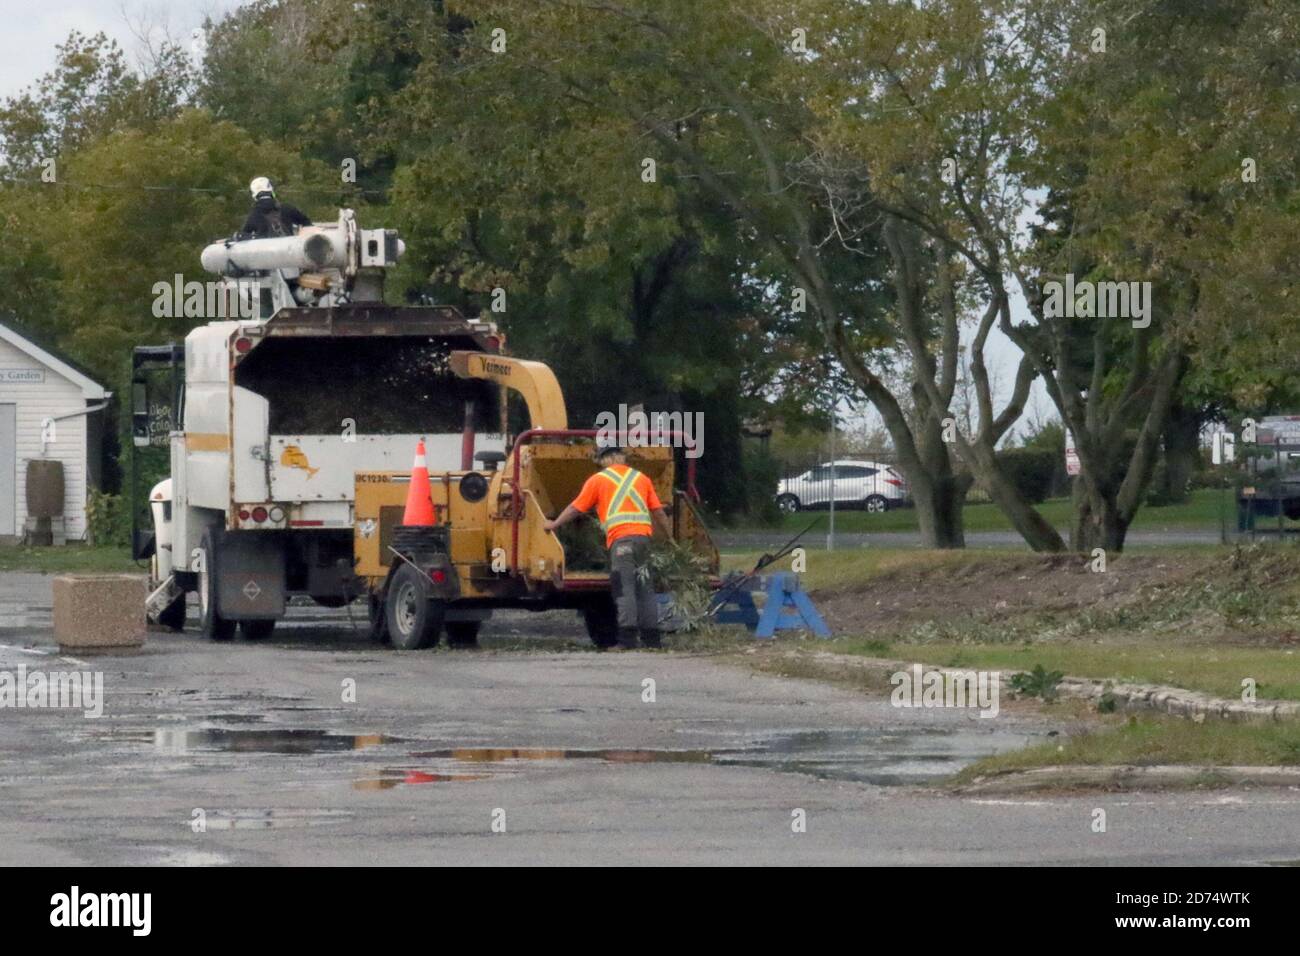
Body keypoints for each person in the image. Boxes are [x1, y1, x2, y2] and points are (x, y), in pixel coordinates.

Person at [543, 442, 672, 649]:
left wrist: (555, 523)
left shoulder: (598, 480)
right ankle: (652, 641)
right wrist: (670, 539)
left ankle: (627, 641)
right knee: (645, 589)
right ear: (621, 457)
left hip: (622, 541)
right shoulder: (641, 478)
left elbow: (576, 508)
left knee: (625, 588)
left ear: (604, 459)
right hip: (643, 541)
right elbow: (658, 512)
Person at [239, 176, 312, 239]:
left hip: (267, 254)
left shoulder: (254, 216)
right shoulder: (287, 208)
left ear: (255, 196)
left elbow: (244, 236)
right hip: (290, 252)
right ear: (272, 191)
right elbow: (307, 223)